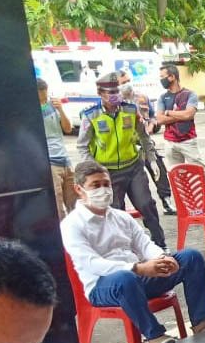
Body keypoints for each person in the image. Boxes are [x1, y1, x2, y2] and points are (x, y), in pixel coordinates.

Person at [61, 161, 205, 343]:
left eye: (106, 184)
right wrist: (137, 268)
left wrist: (163, 258)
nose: (103, 190)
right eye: (95, 185)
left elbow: (144, 244)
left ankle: (202, 319)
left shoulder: (120, 217)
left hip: (138, 278)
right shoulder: (72, 225)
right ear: (79, 189)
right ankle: (153, 335)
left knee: (191, 257)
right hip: (103, 286)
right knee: (125, 278)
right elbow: (91, 263)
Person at [77, 73, 168, 248]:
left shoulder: (130, 110)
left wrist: (152, 158)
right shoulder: (91, 115)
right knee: (116, 212)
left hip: (133, 167)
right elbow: (82, 147)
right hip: (108, 172)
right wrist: (96, 170)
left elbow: (143, 135)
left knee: (146, 204)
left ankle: (160, 243)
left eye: (116, 91)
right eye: (109, 92)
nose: (114, 96)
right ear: (100, 93)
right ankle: (124, 248)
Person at [156, 64, 205, 210]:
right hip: (170, 142)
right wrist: (178, 115)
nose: (161, 80)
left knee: (202, 174)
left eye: (163, 77)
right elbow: (159, 120)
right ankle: (189, 208)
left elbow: (189, 114)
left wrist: (168, 113)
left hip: (188, 141)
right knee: (178, 177)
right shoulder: (163, 97)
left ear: (172, 77)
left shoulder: (189, 94)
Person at [117, 68, 176, 216]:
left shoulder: (142, 97)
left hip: (145, 142)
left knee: (159, 169)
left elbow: (152, 116)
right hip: (126, 146)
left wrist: (151, 125)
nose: (127, 85)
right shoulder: (113, 102)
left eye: (129, 81)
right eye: (123, 82)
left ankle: (166, 200)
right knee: (134, 178)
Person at [38, 78, 75, 219]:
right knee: (58, 207)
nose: (44, 100)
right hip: (50, 162)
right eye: (40, 97)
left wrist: (60, 109)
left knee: (74, 204)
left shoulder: (53, 105)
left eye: (45, 96)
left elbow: (68, 128)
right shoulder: (29, 110)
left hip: (65, 159)